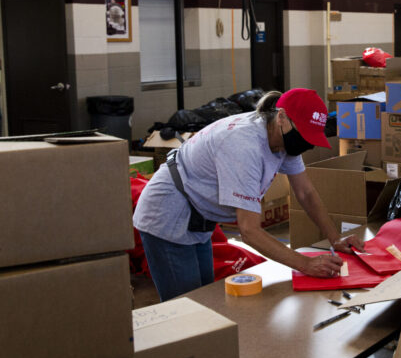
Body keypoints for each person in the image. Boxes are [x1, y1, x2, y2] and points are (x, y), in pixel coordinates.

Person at [133, 88, 364, 301]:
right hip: (168, 215)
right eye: (302, 134)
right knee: (187, 310)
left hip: (199, 219)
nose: (305, 143)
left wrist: (335, 238)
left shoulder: (284, 139)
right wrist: (305, 264)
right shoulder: (244, 146)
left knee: (205, 300)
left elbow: (306, 192)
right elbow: (249, 230)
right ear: (281, 117)